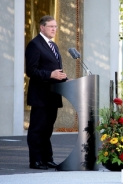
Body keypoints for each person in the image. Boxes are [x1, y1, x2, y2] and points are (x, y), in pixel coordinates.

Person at [25, 15, 67, 169]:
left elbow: (55, 70)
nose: (54, 29)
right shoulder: (35, 45)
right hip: (40, 96)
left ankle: (46, 158)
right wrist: (50, 75)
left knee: (47, 130)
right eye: (51, 26)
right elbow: (31, 70)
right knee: (37, 129)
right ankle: (35, 160)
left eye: (55, 26)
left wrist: (64, 79)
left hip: (53, 95)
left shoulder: (53, 46)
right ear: (42, 27)